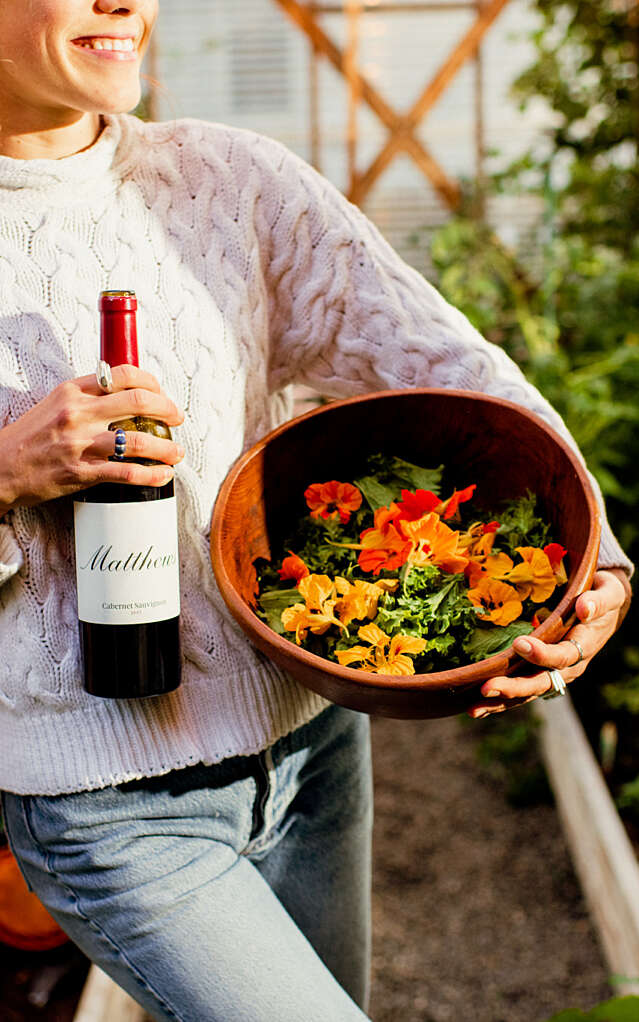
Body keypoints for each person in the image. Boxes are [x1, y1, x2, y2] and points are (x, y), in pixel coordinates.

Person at [0, 2, 632, 1020]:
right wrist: (7, 469)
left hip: (314, 751)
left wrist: (596, 559)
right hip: (108, 803)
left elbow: (445, 360)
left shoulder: (229, 184)